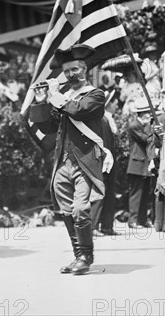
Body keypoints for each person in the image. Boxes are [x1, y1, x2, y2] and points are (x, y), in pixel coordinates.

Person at [30, 44, 107, 275]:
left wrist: (55, 96)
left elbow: (78, 111)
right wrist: (42, 101)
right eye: (67, 72)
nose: (71, 75)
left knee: (80, 209)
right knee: (65, 210)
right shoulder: (64, 97)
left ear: (84, 68)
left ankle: (86, 255)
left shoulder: (95, 94)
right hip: (63, 162)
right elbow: (47, 126)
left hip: (85, 160)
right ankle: (78, 256)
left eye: (75, 69)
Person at [126, 97, 155, 229]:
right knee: (136, 193)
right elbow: (146, 139)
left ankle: (142, 220)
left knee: (144, 193)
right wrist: (149, 125)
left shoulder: (141, 125)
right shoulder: (134, 125)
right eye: (146, 112)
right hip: (137, 164)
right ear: (140, 113)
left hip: (143, 164)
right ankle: (133, 220)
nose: (148, 114)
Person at [96, 91, 120, 236]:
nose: (117, 104)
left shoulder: (108, 119)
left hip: (110, 164)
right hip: (104, 163)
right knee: (100, 193)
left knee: (109, 194)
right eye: (114, 102)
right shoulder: (103, 120)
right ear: (108, 104)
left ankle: (107, 226)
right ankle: (94, 226)